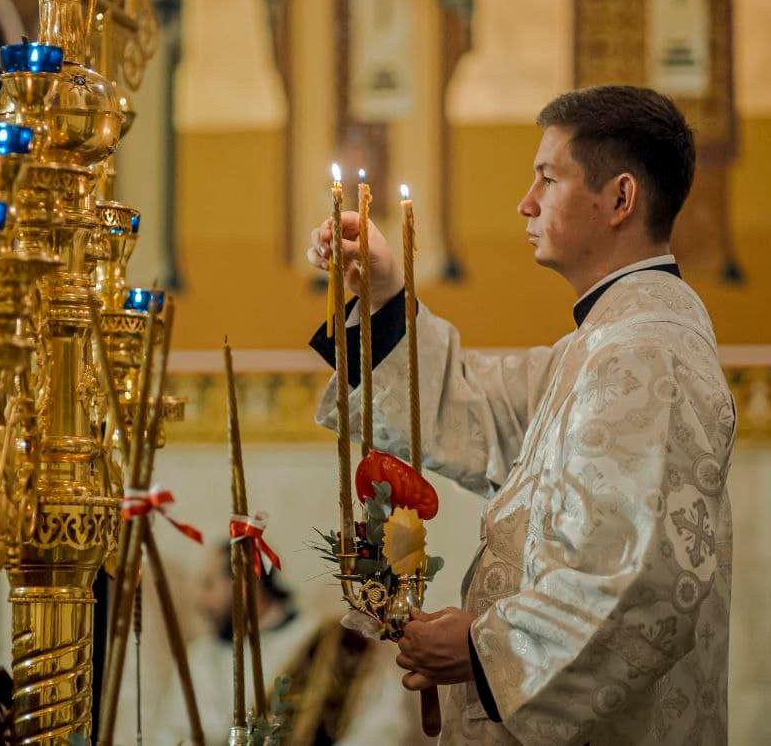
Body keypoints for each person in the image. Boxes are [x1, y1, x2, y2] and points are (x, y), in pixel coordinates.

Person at [306, 86, 735, 744]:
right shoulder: (603, 345)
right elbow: (476, 409)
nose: (526, 202)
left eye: (548, 178)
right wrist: (386, 294)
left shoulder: (648, 355)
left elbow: (643, 585)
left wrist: (483, 651)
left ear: (621, 199)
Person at [154, 542, 425, 745]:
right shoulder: (201, 658)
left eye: (209, 585)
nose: (201, 601)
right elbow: (171, 735)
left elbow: (382, 726)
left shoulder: (332, 642)